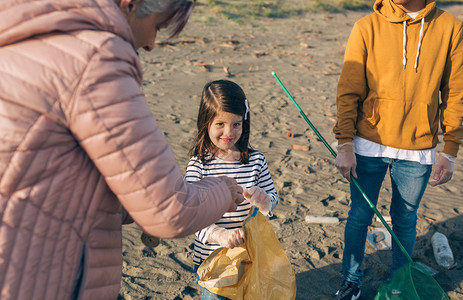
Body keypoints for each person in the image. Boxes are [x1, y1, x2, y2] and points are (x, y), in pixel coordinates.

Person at [0, 0, 245, 299]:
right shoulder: (95, 57)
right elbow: (168, 209)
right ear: (131, 3)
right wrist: (222, 188)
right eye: (157, 25)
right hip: (40, 276)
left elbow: (54, 178)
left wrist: (136, 204)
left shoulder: (22, 34)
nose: (152, 43)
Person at [332, 0, 463, 299]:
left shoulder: (451, 28)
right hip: (367, 144)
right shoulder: (366, 27)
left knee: (405, 218)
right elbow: (348, 89)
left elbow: (456, 93)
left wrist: (450, 149)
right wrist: (345, 142)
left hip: (418, 150)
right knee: (359, 216)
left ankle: (401, 281)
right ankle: (350, 281)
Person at [184, 80, 279, 299]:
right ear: (206, 122)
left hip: (249, 256)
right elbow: (190, 215)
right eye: (220, 124)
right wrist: (219, 235)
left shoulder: (255, 160)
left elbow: (273, 199)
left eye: (236, 124)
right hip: (212, 262)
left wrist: (265, 202)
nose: (229, 132)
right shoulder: (199, 165)